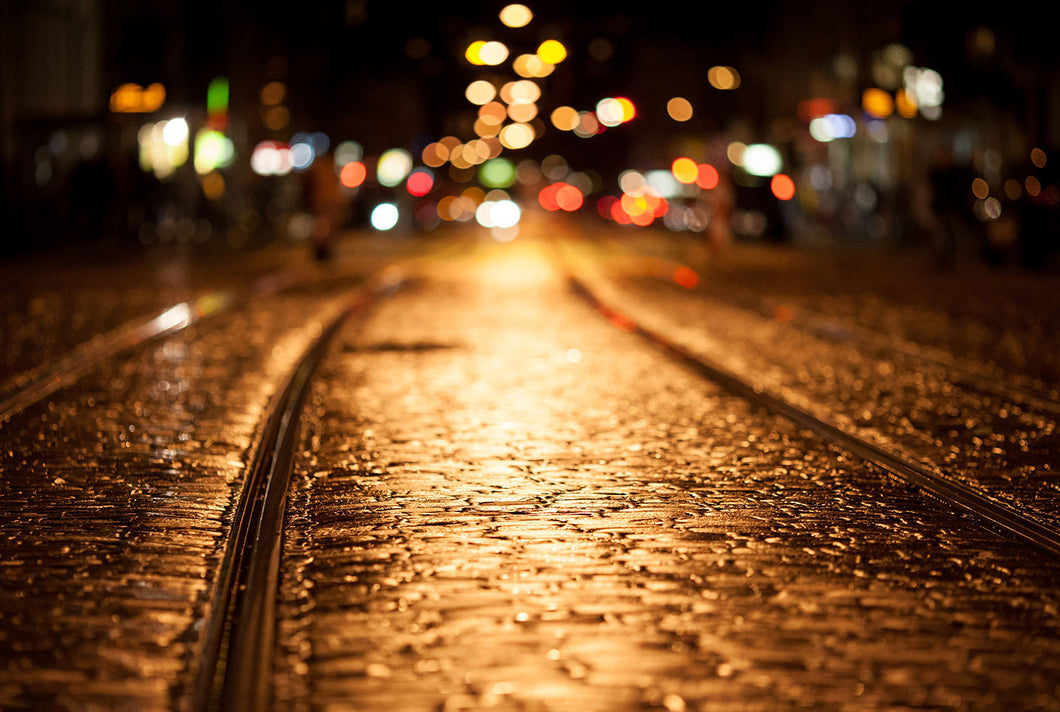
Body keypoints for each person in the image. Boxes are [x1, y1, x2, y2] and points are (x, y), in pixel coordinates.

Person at [302, 153, 344, 260]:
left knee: (323, 229)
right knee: (323, 230)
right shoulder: (324, 170)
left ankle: (324, 254)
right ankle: (322, 254)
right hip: (322, 204)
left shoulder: (322, 170)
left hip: (324, 204)